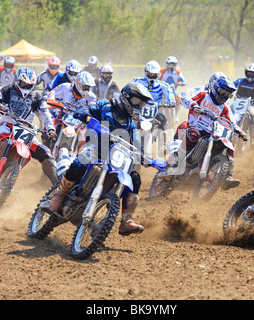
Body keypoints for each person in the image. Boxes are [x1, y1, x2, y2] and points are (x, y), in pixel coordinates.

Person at [42, 82, 153, 235]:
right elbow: (82, 109)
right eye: (136, 102)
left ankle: (126, 220)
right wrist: (89, 119)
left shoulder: (130, 124)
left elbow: (137, 142)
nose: (138, 106)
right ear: (126, 97)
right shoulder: (105, 106)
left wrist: (146, 157)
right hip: (95, 150)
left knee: (135, 177)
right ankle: (60, 193)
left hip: (115, 160)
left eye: (141, 104)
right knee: (81, 161)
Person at [0, 67, 59, 185]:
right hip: (8, 125)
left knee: (47, 154)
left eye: (29, 85)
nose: (26, 86)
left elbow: (45, 114)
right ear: (17, 81)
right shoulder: (7, 89)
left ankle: (56, 186)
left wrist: (51, 129)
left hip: (27, 131)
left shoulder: (37, 97)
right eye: (23, 83)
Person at [174, 76, 246, 189]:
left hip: (211, 132)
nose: (224, 96)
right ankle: (178, 160)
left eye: (228, 94)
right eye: (223, 92)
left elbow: (232, 122)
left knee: (227, 146)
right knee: (194, 135)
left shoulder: (225, 107)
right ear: (216, 88)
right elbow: (184, 98)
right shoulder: (203, 96)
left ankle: (226, 176)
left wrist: (240, 132)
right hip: (195, 127)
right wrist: (193, 105)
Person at [131, 60, 176, 156]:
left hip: (154, 111)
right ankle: (123, 139)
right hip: (139, 109)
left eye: (154, 75)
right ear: (145, 72)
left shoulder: (163, 85)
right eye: (150, 74)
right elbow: (127, 90)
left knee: (163, 120)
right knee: (129, 119)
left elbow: (170, 95)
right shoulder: (137, 81)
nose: (151, 77)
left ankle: (162, 144)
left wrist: (171, 101)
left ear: (158, 75)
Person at [44, 71, 97, 149]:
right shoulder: (65, 87)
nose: (87, 89)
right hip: (62, 116)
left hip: (79, 121)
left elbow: (95, 109)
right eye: (85, 86)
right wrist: (54, 101)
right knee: (48, 127)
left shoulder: (92, 97)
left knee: (86, 140)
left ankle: (80, 156)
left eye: (88, 87)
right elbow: (51, 94)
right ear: (78, 84)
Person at [233, 63, 254, 146]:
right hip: (237, 103)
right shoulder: (240, 81)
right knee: (226, 111)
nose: (250, 75)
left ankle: (253, 140)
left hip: (249, 105)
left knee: (253, 114)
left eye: (252, 73)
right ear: (246, 72)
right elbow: (230, 86)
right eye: (249, 73)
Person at [158, 56, 187, 126]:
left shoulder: (178, 72)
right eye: (170, 64)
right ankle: (157, 114)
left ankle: (176, 115)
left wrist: (181, 83)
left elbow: (184, 81)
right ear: (167, 64)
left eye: (173, 64)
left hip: (172, 92)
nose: (171, 66)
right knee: (156, 100)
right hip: (162, 92)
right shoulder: (162, 71)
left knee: (178, 98)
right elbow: (157, 78)